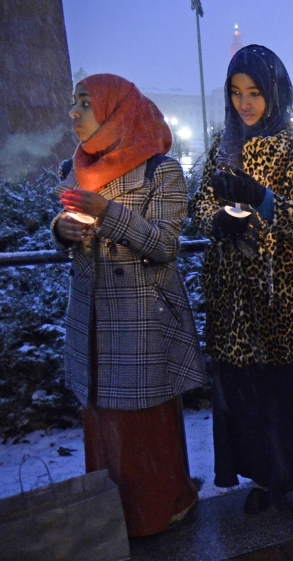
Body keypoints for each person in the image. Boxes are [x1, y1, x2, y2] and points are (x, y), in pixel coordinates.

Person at [191, 45, 293, 518]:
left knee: (292, 393)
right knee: (249, 395)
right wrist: (218, 219)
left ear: (275, 92)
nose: (245, 103)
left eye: (255, 92)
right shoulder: (223, 144)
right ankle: (264, 476)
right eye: (236, 93)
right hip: (235, 295)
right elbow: (198, 205)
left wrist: (264, 201)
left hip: (287, 291)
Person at [54, 73, 207, 537]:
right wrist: (63, 230)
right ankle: (111, 516)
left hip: (141, 321)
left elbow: (163, 244)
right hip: (94, 321)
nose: (74, 112)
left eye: (86, 103)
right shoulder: (73, 169)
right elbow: (61, 222)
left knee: (145, 424)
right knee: (103, 420)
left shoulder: (161, 170)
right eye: (74, 102)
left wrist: (108, 214)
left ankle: (161, 508)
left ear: (116, 112)